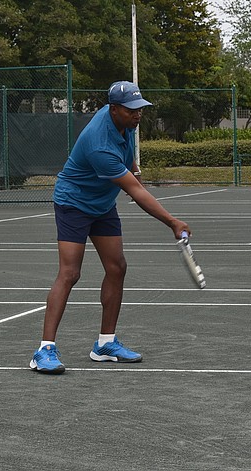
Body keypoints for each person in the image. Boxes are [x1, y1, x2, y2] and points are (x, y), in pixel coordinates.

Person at [30, 81, 190, 374]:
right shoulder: (98, 143)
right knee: (70, 272)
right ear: (114, 109)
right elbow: (137, 192)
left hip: (102, 205)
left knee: (117, 267)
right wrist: (172, 221)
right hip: (74, 203)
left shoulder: (124, 122)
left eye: (140, 109)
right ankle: (44, 350)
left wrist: (136, 171)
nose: (138, 115)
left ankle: (105, 344)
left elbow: (130, 164)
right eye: (132, 111)